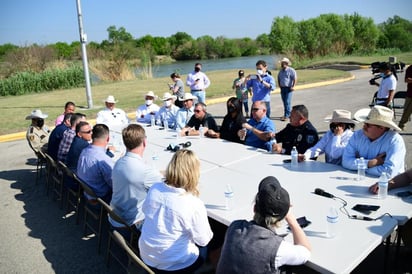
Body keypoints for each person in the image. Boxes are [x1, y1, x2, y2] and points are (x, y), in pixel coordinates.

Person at [216, 176, 311, 274]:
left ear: (254, 208)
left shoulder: (234, 227)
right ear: (282, 218)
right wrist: (292, 220)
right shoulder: (278, 248)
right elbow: (306, 251)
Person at [139, 149, 213, 273]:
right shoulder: (193, 203)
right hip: (176, 265)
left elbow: (145, 210)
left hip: (147, 256)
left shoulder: (155, 188)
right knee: (212, 243)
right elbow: (203, 240)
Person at [110, 124, 163, 236]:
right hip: (132, 222)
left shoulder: (119, 162)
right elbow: (168, 186)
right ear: (144, 142)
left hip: (115, 215)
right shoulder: (145, 171)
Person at [342, 105, 406, 177]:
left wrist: (360, 167)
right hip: (360, 179)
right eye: (364, 123)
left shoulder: (395, 141)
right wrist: (370, 163)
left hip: (389, 185)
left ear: (382, 127)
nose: (364, 126)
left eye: (368, 125)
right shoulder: (357, 135)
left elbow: (389, 172)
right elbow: (345, 161)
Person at [77, 124, 114, 203]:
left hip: (87, 191)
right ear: (108, 139)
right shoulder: (103, 159)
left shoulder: (84, 150)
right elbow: (114, 185)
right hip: (100, 197)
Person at [398, 64, 412, 130]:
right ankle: (401, 125)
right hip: (410, 94)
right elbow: (407, 80)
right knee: (407, 111)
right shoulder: (410, 68)